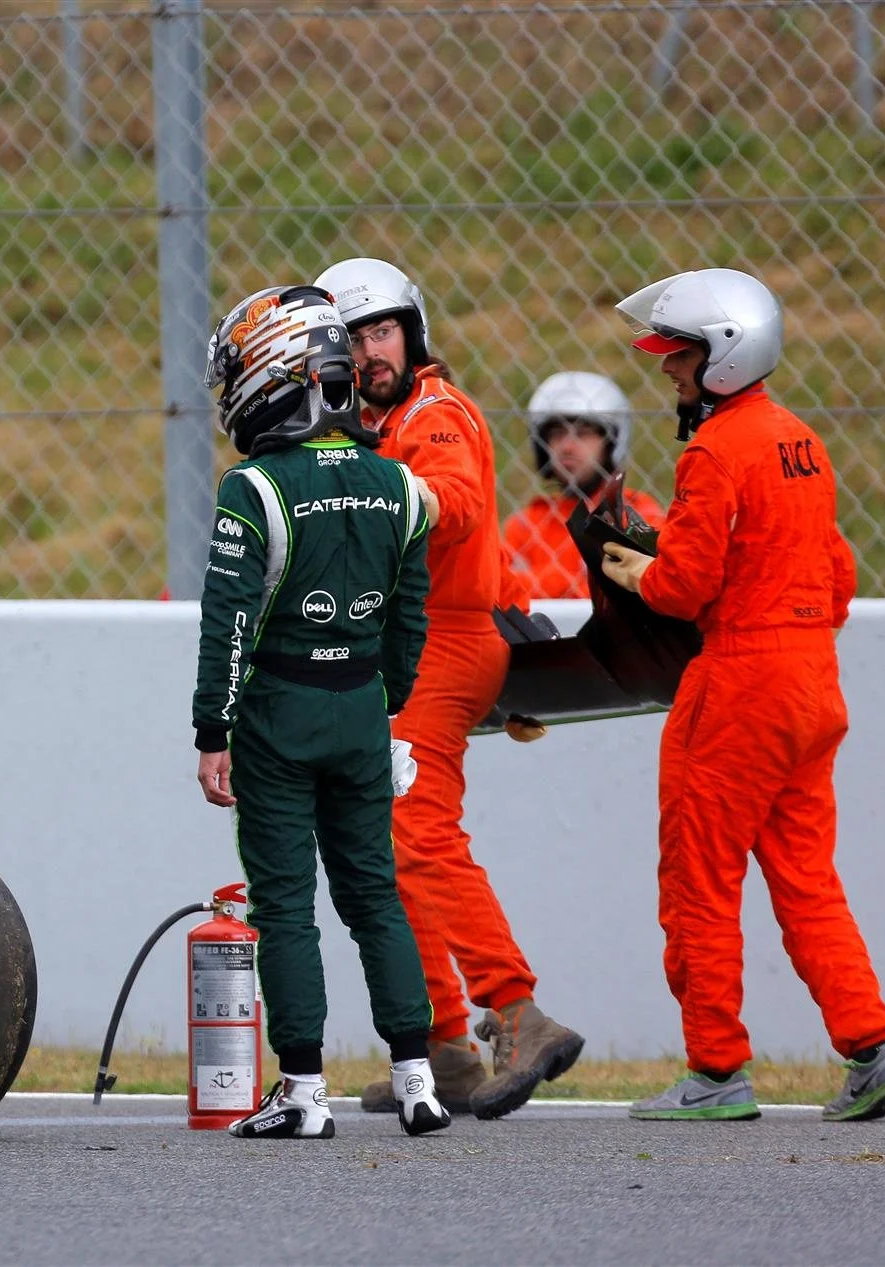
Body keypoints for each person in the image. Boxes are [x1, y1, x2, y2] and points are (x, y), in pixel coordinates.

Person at [602, 268, 885, 1122]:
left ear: (723, 358)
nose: (669, 371)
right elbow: (840, 574)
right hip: (814, 683)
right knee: (808, 879)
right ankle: (873, 1052)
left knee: (698, 880)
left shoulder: (712, 449)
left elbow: (688, 585)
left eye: (679, 357)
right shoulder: (802, 441)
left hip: (739, 684)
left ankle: (715, 1071)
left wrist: (646, 572)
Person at [312, 257, 583, 1120]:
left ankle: (516, 1014)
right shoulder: (373, 427)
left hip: (442, 646)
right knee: (383, 841)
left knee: (417, 830)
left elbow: (458, 503)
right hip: (419, 647)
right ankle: (441, 1048)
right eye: (352, 340)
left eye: (381, 331)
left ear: (411, 333)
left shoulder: (433, 414)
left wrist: (365, 494)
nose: (369, 351)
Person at [191, 283, 449, 1140]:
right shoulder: (402, 485)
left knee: (286, 907)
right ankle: (418, 1082)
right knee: (376, 895)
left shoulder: (253, 487)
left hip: (276, 717)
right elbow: (411, 622)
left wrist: (211, 730)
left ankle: (303, 1091)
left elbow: (226, 619)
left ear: (275, 376)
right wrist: (385, 704)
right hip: (362, 715)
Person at [503, 372, 665, 600]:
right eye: (557, 434)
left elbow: (649, 589)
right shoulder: (526, 523)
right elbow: (503, 590)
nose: (567, 447)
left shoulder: (638, 514)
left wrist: (539, 580)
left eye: (583, 434)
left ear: (610, 443)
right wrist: (577, 579)